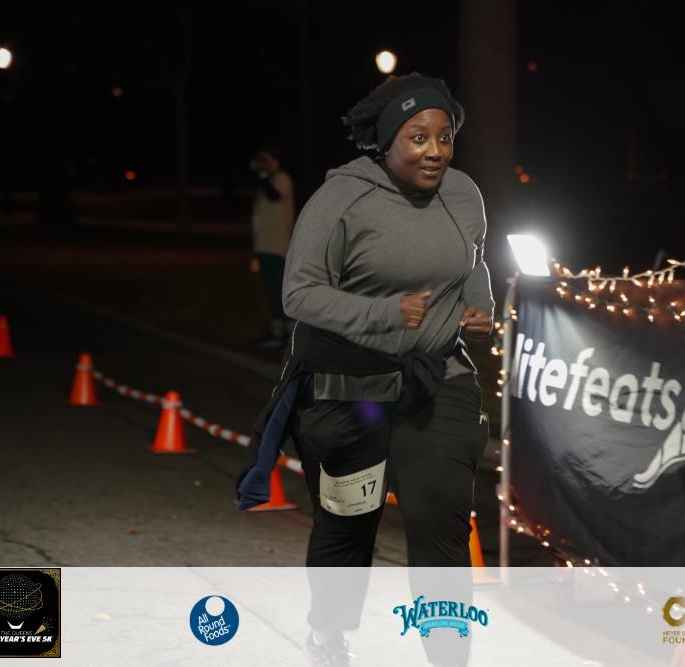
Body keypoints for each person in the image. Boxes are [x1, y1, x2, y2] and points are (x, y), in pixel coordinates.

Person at [236, 73, 493, 666]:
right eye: (418, 138)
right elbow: (299, 294)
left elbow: (474, 261)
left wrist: (480, 307)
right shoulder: (341, 200)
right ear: (386, 141)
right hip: (349, 392)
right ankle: (328, 635)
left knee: (440, 520)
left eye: (444, 137)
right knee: (347, 527)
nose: (435, 151)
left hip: (437, 381)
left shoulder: (463, 194)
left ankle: (449, 656)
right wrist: (383, 313)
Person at [249, 145, 296, 348]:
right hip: (265, 246)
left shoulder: (282, 178)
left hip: (277, 246)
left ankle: (287, 335)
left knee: (279, 291)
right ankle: (279, 332)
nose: (262, 163)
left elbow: (275, 196)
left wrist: (261, 176)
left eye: (265, 159)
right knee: (272, 291)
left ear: (275, 161)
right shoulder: (269, 182)